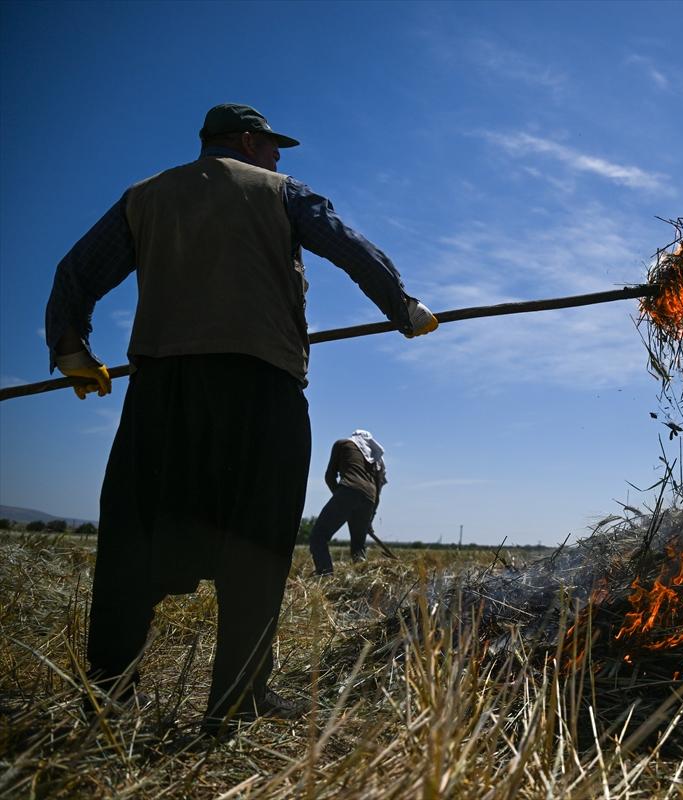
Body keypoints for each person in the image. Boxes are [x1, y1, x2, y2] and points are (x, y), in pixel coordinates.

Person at [43, 103, 438, 734]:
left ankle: (109, 701)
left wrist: (71, 349)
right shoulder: (282, 191)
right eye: (274, 146)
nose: (280, 157)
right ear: (250, 143)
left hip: (161, 394)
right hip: (261, 391)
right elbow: (348, 247)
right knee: (257, 545)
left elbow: (77, 272)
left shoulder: (143, 197)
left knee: (133, 542)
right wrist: (404, 306)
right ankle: (237, 701)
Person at [309, 430, 387, 575]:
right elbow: (377, 494)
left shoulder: (343, 444)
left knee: (318, 537)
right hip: (370, 499)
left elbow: (329, 476)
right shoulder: (377, 462)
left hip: (348, 490)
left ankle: (326, 577)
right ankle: (363, 582)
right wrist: (369, 519)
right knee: (358, 547)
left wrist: (341, 499)